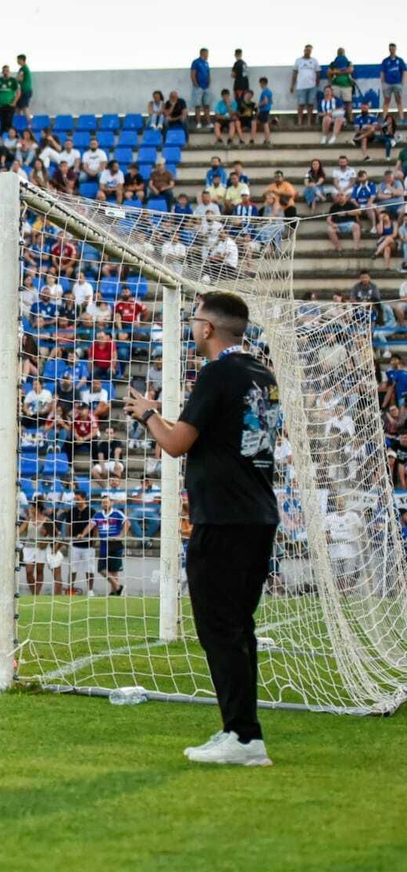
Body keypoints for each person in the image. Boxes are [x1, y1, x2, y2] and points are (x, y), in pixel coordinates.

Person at [123, 291, 279, 766]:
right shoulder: (260, 374)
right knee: (239, 627)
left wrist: (147, 413)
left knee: (219, 629)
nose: (192, 327)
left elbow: (175, 444)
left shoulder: (217, 373)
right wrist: (161, 417)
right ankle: (240, 730)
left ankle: (245, 738)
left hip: (224, 517)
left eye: (194, 321)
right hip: (257, 514)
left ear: (208, 328)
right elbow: (206, 436)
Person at [190, 48, 213, 130]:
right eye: (207, 53)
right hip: (198, 87)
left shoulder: (206, 63)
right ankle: (198, 123)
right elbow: (193, 73)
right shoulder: (196, 62)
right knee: (198, 105)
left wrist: (209, 83)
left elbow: (208, 73)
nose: (208, 55)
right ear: (203, 53)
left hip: (206, 87)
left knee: (207, 105)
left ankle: (209, 122)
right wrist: (196, 84)